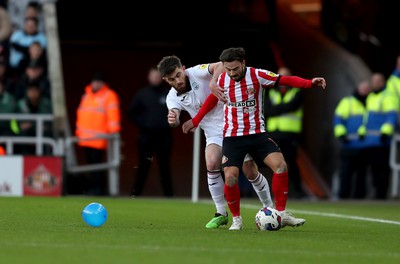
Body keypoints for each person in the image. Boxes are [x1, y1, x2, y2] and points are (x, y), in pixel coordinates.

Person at [182, 47, 326, 229]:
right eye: (228, 69)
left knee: (280, 166)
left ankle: (280, 214)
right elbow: (212, 100)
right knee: (231, 177)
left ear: (243, 63)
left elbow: (285, 80)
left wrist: (309, 83)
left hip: (258, 135)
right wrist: (195, 120)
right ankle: (237, 220)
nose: (231, 73)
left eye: (235, 69)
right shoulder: (222, 79)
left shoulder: (258, 75)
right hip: (233, 137)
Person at [158, 55, 275, 230]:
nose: (177, 80)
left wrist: (213, 83)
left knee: (250, 171)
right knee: (212, 162)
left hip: (234, 126)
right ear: (165, 80)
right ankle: (221, 213)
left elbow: (221, 65)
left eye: (178, 75)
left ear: (183, 68)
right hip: (213, 134)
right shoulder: (171, 98)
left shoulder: (197, 72)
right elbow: (174, 119)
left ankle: (270, 208)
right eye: (171, 79)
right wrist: (172, 119)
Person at [128, 67, 174, 197]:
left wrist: (168, 124)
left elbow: (178, 111)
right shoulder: (142, 94)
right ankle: (135, 195)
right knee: (143, 165)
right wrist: (145, 124)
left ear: (162, 77)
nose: (155, 78)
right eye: (153, 76)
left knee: (164, 166)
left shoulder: (168, 93)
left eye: (157, 76)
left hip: (164, 136)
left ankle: (169, 196)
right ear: (149, 77)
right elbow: (131, 113)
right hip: (146, 136)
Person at [74, 72, 121, 196]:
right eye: (94, 81)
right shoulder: (86, 95)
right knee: (91, 167)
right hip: (85, 138)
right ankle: (94, 190)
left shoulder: (109, 95)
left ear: (103, 83)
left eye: (98, 81)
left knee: (98, 167)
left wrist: (113, 134)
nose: (95, 84)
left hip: (100, 138)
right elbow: (81, 115)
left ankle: (99, 191)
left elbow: (113, 116)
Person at [264, 66, 307, 199]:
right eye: (281, 76)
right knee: (273, 164)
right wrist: (283, 109)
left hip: (290, 134)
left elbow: (293, 106)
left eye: (286, 76)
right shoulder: (271, 91)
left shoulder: (297, 91)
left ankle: (298, 191)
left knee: (291, 163)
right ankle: (274, 192)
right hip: (274, 134)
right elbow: (267, 110)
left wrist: (277, 109)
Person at [358, 72, 398, 199]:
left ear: (383, 82)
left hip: (382, 140)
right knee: (374, 169)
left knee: (382, 169)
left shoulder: (388, 96)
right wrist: (362, 131)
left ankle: (381, 195)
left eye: (377, 81)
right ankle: (377, 193)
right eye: (373, 81)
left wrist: (386, 132)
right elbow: (366, 118)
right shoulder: (370, 97)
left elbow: (392, 116)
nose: (374, 83)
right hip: (370, 141)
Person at [333, 80, 371, 199]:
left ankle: (359, 198)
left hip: (365, 145)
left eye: (367, 88)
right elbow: (338, 120)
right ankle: (343, 197)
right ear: (358, 88)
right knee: (346, 173)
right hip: (348, 144)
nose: (365, 90)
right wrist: (341, 134)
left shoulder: (372, 102)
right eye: (363, 88)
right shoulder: (347, 102)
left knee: (362, 174)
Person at [13, 80, 52, 155]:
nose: (33, 93)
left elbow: (48, 123)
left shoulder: (46, 103)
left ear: (39, 91)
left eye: (35, 91)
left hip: (42, 131)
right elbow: (13, 122)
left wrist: (32, 124)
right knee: (21, 135)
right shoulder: (20, 104)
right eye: (30, 91)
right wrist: (18, 129)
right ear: (27, 92)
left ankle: (46, 158)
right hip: (25, 133)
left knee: (46, 135)